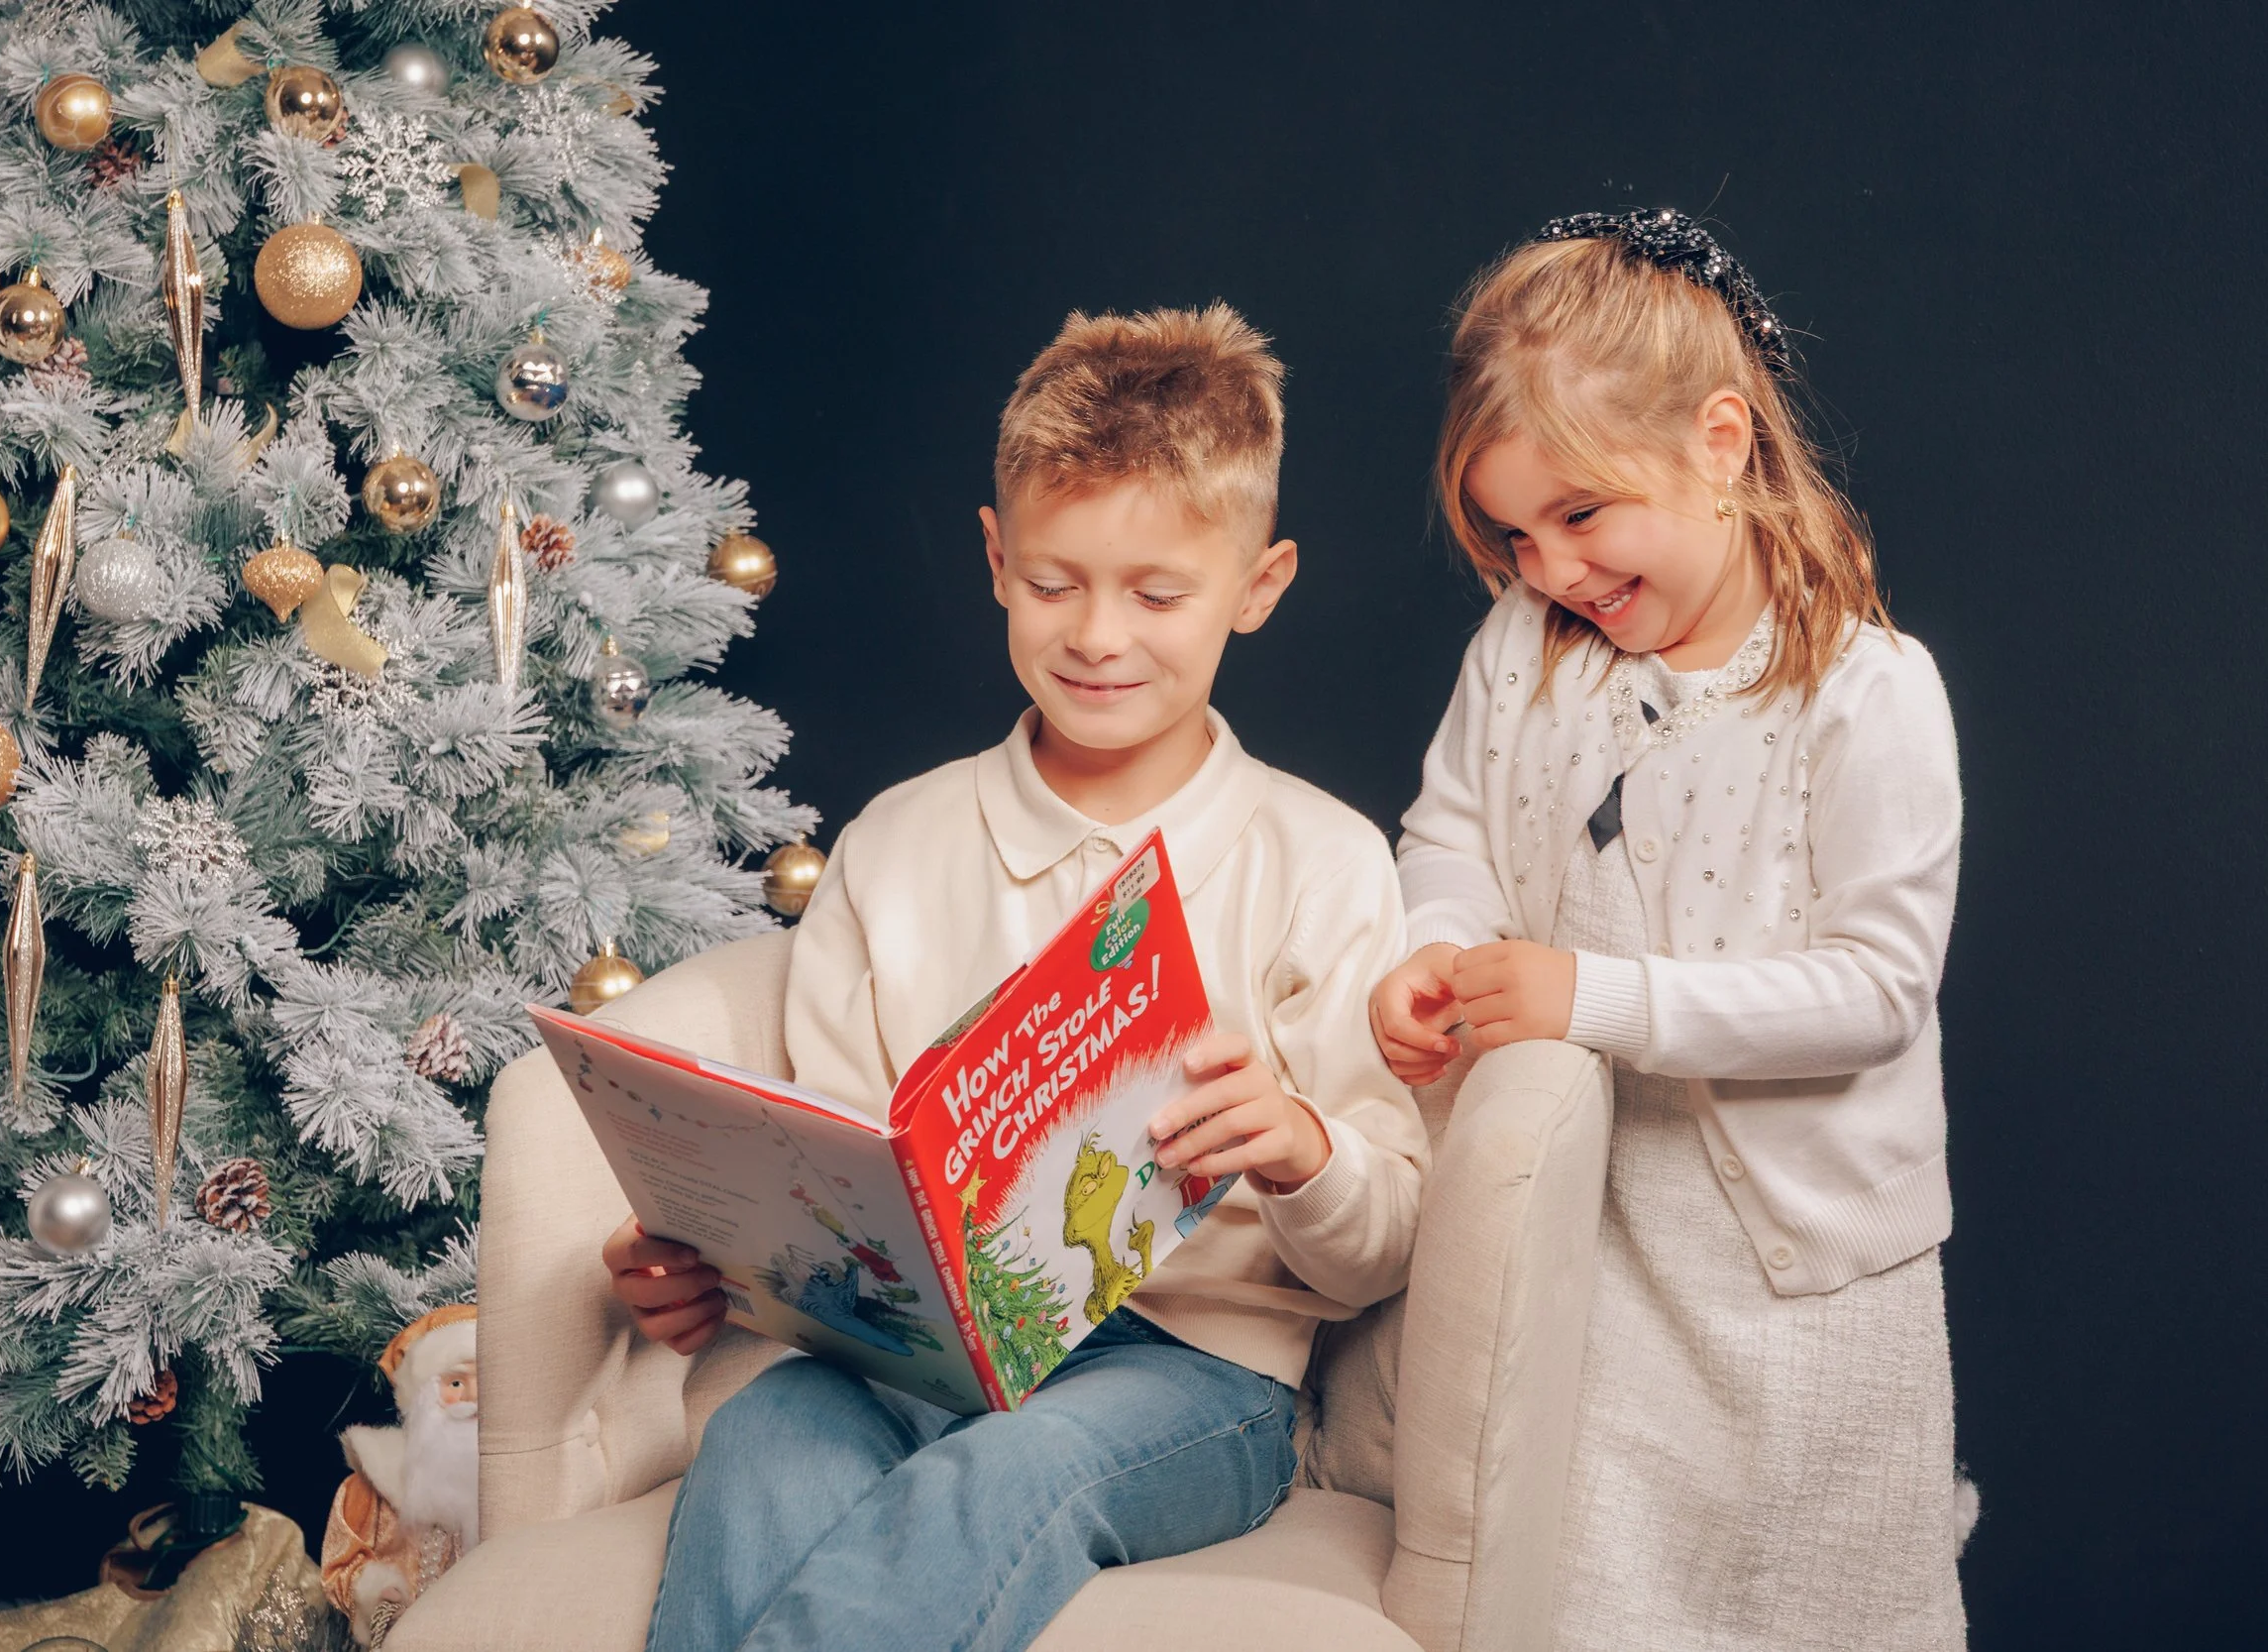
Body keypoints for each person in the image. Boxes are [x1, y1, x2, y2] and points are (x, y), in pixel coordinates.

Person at [604, 304, 1429, 1652]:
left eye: (1160, 594)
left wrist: (1302, 1149)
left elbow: (1386, 1235)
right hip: (907, 1360)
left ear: (1258, 585)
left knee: (1005, 1474)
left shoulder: (1320, 860)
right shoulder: (899, 841)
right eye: (1056, 583)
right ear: (996, 558)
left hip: (1195, 1377)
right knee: (763, 1443)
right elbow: (832, 1176)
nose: (1101, 634)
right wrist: (710, 1266)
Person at [1370, 209, 1969, 1648]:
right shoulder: (1525, 655)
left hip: (1801, 1278)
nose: (1552, 569)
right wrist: (1433, 943)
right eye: (1516, 534)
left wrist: (1597, 996)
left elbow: (1877, 987)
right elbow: (1447, 824)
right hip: (1597, 1240)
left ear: (1719, 441)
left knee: (1812, 1601)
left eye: (1581, 516)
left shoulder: (1868, 695)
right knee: (1599, 1594)